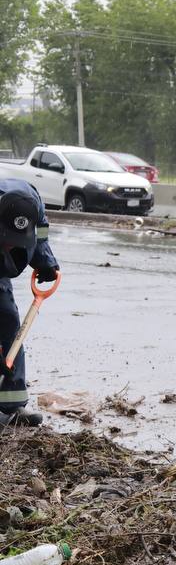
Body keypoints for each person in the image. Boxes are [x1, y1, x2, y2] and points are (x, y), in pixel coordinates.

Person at [0, 179, 59, 428]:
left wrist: (45, 260)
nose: (12, 244)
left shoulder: (32, 203)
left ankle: (13, 407)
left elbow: (42, 232)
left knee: (9, 321)